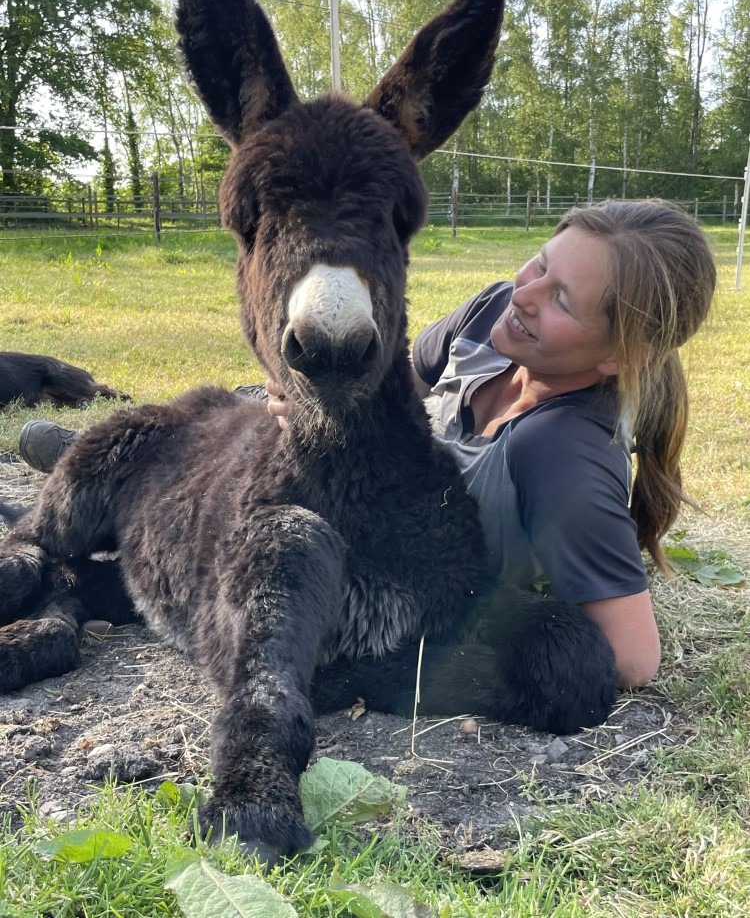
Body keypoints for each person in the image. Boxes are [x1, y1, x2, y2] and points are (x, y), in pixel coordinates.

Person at [18, 198, 716, 690]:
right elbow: (391, 388)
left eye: (562, 299)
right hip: (349, 481)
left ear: (622, 354)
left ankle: (92, 465)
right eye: (540, 264)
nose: (525, 293)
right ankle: (91, 457)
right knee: (226, 415)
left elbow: (632, 659)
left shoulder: (563, 460)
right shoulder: (488, 318)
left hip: (377, 559)